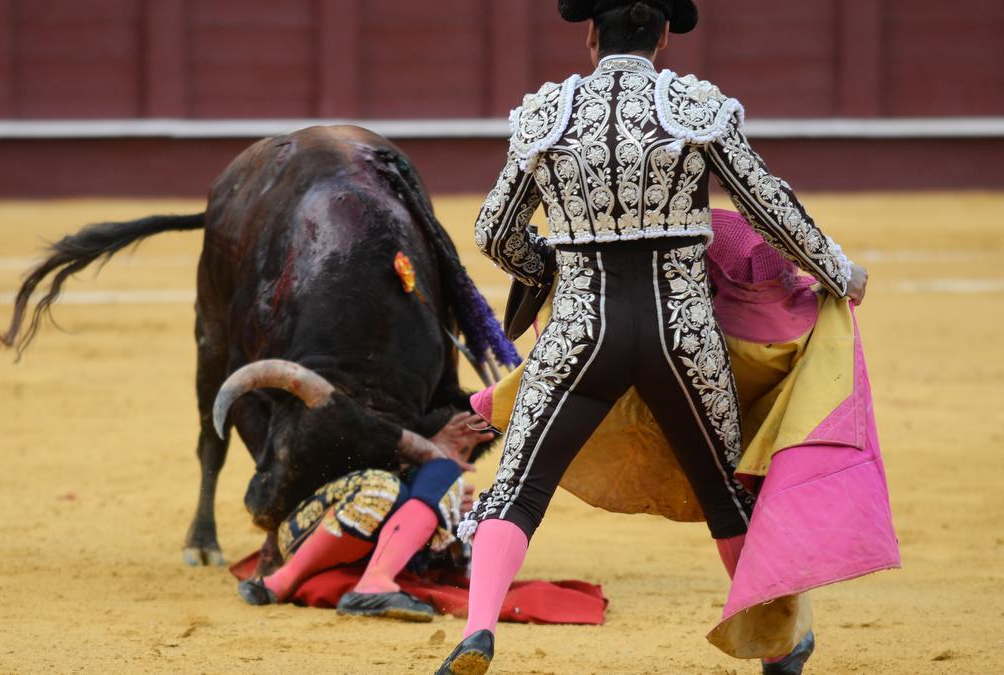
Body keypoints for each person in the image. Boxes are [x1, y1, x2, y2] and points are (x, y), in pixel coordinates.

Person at [436, 2, 869, 674]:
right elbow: (767, 207)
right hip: (682, 332)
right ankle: (777, 644)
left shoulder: (546, 115)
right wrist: (838, 269)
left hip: (580, 330)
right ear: (665, 37)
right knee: (725, 491)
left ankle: (478, 631)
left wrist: (549, 266)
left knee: (518, 485)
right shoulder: (696, 108)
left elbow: (494, 230)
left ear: (589, 36)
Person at [238, 412, 491, 621]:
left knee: (442, 480)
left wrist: (452, 527)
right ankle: (288, 580)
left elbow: (455, 573)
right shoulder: (384, 445)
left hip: (341, 554)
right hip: (304, 530)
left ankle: (286, 581)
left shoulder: (447, 495)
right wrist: (422, 452)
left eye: (465, 450)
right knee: (398, 484)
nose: (455, 454)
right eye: (453, 441)